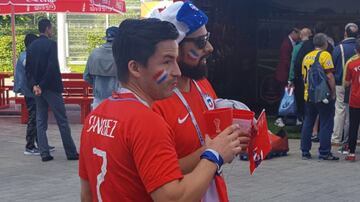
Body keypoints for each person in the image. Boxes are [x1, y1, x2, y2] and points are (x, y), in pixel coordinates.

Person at [79, 18, 249, 202]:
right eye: (166, 62)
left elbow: (86, 193)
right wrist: (214, 155)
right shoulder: (146, 122)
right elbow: (173, 198)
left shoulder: (95, 116)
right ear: (135, 67)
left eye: (175, 60)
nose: (176, 71)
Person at [151, 2, 251, 201]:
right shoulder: (155, 100)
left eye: (208, 38)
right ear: (174, 47)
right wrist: (214, 151)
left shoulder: (201, 83)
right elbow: (160, 174)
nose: (210, 48)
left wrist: (235, 137)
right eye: (200, 42)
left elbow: (211, 135)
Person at [25, 19, 78, 162]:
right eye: (51, 28)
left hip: (37, 90)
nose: (52, 30)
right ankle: (71, 152)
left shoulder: (31, 46)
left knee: (40, 120)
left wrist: (34, 86)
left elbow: (28, 70)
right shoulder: (51, 45)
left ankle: (44, 153)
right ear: (47, 28)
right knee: (62, 120)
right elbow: (51, 67)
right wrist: (42, 85)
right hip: (51, 88)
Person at [300, 33, 338, 161]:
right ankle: (324, 152)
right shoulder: (325, 55)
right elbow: (329, 76)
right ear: (325, 43)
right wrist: (333, 92)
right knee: (326, 122)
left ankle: (305, 151)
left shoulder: (307, 56)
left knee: (308, 121)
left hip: (308, 95)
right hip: (322, 95)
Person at [331, 23, 358, 145]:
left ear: (345, 33)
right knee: (354, 113)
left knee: (340, 110)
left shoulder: (339, 48)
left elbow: (332, 65)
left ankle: (337, 138)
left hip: (341, 83)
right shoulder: (356, 47)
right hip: (356, 84)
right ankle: (355, 138)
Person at [14, 34, 41, 155]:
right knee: (33, 117)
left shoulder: (24, 55)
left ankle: (40, 143)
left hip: (29, 90)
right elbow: (32, 70)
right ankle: (30, 146)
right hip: (30, 91)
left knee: (36, 117)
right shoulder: (26, 57)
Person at [84, 26, 120, 109]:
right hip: (117, 98)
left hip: (98, 98)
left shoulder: (94, 53)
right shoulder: (120, 55)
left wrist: (96, 85)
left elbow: (86, 76)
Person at [274, 28, 300, 127]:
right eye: (298, 34)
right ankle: (279, 117)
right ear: (293, 33)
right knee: (283, 96)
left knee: (289, 96)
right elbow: (286, 61)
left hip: (287, 75)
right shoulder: (286, 44)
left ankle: (291, 117)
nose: (299, 37)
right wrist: (293, 71)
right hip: (283, 75)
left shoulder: (292, 43)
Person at [288, 28, 312, 125]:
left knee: (300, 100)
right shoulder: (313, 46)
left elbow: (293, 63)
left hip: (300, 78)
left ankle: (301, 119)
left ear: (301, 36)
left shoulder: (297, 48)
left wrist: (290, 79)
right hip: (312, 79)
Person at [343, 38, 360, 161]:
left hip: (355, 99)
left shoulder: (351, 62)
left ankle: (352, 153)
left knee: (353, 126)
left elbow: (346, 83)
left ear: (355, 49)